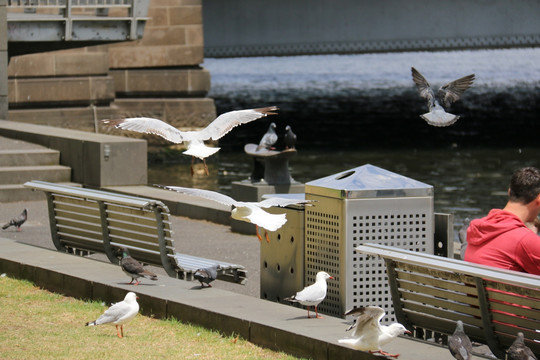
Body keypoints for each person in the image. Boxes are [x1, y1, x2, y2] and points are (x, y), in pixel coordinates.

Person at [464, 166, 540, 275]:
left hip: (476, 292)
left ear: (509, 192)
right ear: (538, 199)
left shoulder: (477, 228)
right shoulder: (524, 240)